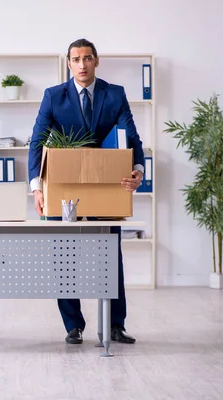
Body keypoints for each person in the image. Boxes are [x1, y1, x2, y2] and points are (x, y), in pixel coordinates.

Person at [27, 38, 144, 345]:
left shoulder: (114, 94)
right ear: (69, 63)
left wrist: (138, 170)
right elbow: (37, 141)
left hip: (105, 187)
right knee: (63, 257)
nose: (82, 64)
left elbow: (131, 136)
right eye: (76, 59)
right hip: (64, 187)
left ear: (96, 61)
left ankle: (115, 325)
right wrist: (36, 188)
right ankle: (73, 325)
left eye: (87, 58)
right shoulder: (54, 96)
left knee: (110, 256)